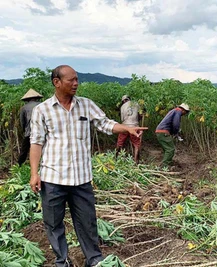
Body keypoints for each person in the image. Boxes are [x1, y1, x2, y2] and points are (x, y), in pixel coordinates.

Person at [29, 65, 147, 267]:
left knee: (87, 222)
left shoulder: (86, 105)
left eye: (77, 79)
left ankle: (93, 259)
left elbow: (106, 123)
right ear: (56, 82)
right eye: (71, 80)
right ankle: (62, 261)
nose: (76, 83)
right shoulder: (42, 110)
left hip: (81, 179)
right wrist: (34, 173)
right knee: (54, 223)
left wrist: (128, 129)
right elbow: (36, 142)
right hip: (53, 178)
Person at [155, 103, 189, 168]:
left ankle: (167, 163)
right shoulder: (178, 111)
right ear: (184, 110)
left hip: (159, 131)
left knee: (167, 149)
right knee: (170, 149)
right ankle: (164, 166)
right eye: (185, 113)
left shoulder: (173, 111)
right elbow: (176, 124)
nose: (184, 114)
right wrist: (176, 132)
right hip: (163, 131)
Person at [18, 89, 43, 166]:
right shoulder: (42, 105)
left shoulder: (24, 108)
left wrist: (24, 131)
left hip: (29, 131)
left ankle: (20, 165)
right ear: (36, 98)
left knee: (24, 150)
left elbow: (22, 122)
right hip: (42, 131)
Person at [115, 95, 142, 163]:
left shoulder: (123, 106)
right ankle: (136, 161)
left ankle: (116, 158)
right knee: (136, 144)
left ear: (124, 100)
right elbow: (139, 116)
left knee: (120, 143)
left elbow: (122, 119)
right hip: (135, 126)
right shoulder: (136, 104)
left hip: (125, 126)